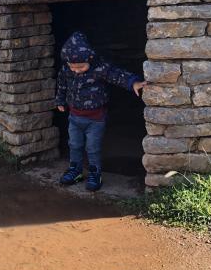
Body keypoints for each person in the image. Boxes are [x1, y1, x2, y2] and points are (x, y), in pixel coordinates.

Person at [55, 31, 146, 192]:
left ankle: (95, 173)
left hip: (95, 120)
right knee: (74, 144)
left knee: (92, 147)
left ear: (90, 58)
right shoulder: (66, 70)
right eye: (72, 67)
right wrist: (60, 101)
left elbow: (116, 74)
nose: (76, 70)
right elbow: (62, 85)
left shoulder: (100, 68)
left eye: (81, 67)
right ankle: (75, 170)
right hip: (74, 117)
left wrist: (133, 82)